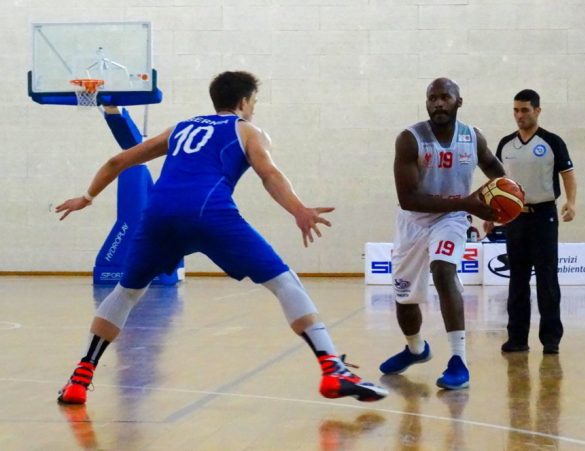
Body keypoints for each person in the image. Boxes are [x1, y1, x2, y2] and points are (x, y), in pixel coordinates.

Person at [55, 71, 387, 405]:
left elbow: (118, 160)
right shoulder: (247, 130)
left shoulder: (180, 128)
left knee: (126, 293)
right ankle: (332, 368)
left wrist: (87, 196)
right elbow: (268, 174)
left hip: (159, 214)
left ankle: (79, 379)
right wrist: (299, 209)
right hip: (209, 212)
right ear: (244, 101)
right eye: (254, 102)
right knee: (285, 283)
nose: (254, 109)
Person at [379, 77, 505, 390]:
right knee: (404, 298)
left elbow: (492, 166)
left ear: (458, 101)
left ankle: (459, 359)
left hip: (451, 219)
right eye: (432, 98)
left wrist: (506, 199)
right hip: (413, 221)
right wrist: (471, 203)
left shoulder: (472, 137)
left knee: (443, 270)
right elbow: (408, 198)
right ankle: (416, 349)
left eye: (444, 97)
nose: (438, 103)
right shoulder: (410, 139)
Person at [485, 89, 577, 355]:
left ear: (537, 110)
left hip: (544, 216)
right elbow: (497, 184)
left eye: (525, 110)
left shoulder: (552, 142)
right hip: (515, 218)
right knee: (518, 279)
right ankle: (517, 338)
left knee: (547, 279)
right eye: (515, 110)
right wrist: (491, 214)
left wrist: (571, 203)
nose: (519, 115)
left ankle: (551, 339)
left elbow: (568, 174)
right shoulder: (505, 144)